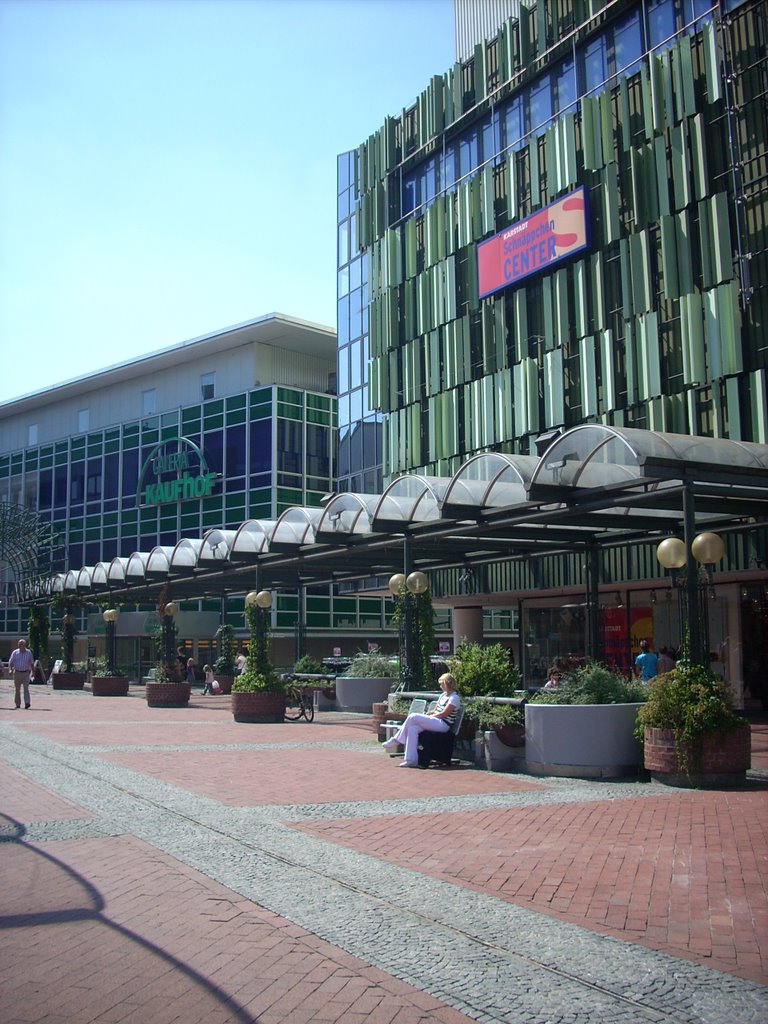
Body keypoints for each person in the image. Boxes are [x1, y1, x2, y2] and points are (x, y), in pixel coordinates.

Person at [382, 672, 461, 768]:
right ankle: (411, 760)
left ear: (447, 684)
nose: (440, 686)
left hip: (443, 724)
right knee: (413, 729)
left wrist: (431, 717)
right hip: (436, 721)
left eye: (442, 684)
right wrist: (428, 714)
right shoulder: (443, 695)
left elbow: (444, 713)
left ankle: (397, 739)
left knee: (413, 716)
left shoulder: (454, 698)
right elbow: (435, 710)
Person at [9, 638, 34, 709]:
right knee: (17, 689)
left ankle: (27, 702)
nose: (20, 646)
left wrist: (33, 672)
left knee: (26, 688)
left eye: (22, 644)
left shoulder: (28, 653)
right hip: (17, 673)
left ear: (25, 645)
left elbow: (31, 663)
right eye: (19, 644)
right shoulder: (15, 652)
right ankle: (17, 704)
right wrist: (10, 670)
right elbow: (11, 662)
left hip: (25, 673)